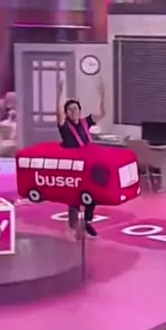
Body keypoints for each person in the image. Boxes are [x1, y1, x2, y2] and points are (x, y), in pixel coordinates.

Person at [55, 77, 106, 237]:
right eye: (70, 110)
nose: (74, 112)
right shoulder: (64, 126)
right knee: (74, 198)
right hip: (73, 166)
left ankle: (87, 222)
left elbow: (102, 113)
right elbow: (58, 113)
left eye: (76, 109)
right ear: (67, 113)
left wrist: (102, 95)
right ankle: (73, 227)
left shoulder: (85, 122)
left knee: (92, 194)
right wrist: (60, 92)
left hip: (87, 164)